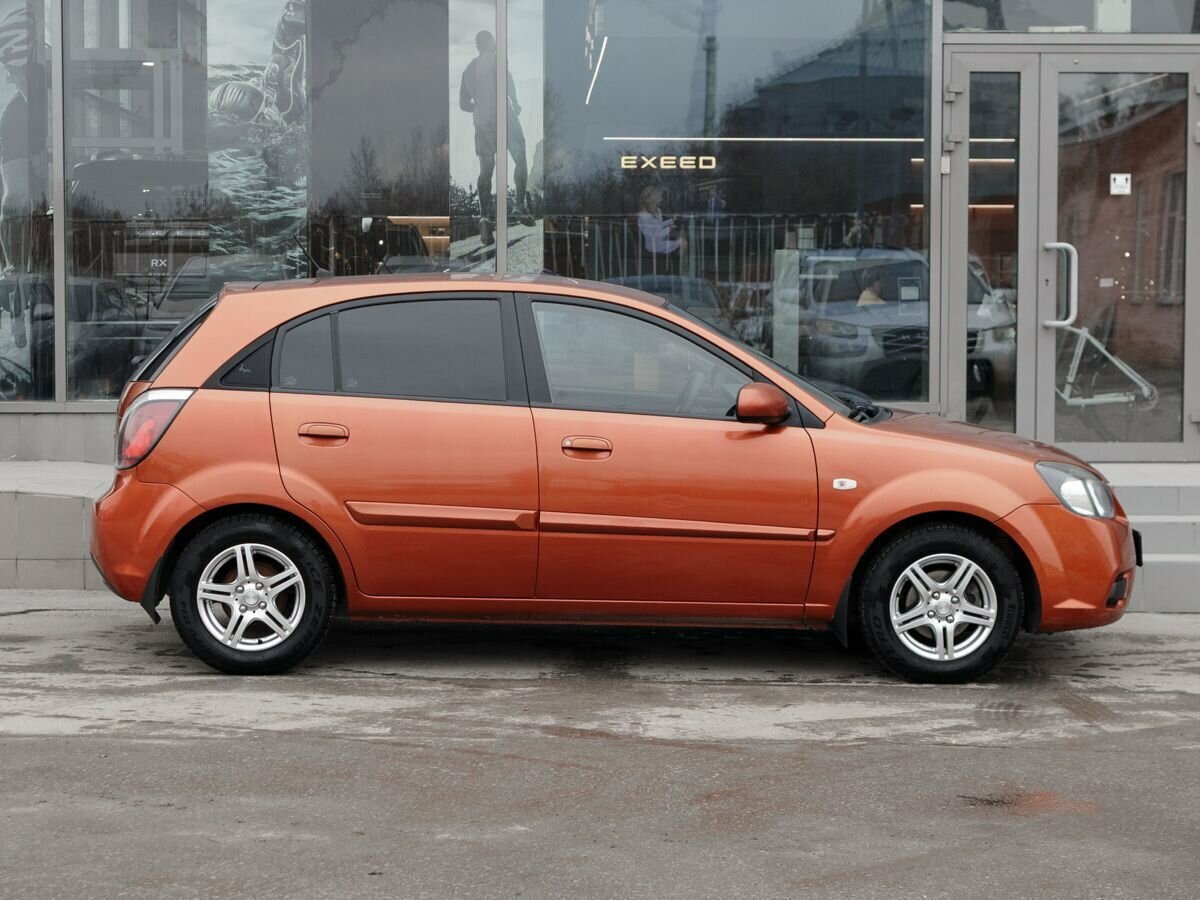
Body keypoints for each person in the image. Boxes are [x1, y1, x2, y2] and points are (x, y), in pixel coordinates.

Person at [459, 30, 532, 245]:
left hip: (482, 123)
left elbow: (463, 104)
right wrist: (515, 102)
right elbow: (507, 80)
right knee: (520, 158)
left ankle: (484, 218)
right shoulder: (497, 58)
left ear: (477, 46)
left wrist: (479, 108)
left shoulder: (468, 71)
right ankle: (519, 204)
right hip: (504, 117)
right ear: (490, 42)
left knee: (486, 169)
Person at [637, 185, 687, 268]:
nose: (661, 199)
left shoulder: (657, 211)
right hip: (653, 246)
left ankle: (673, 265)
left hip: (660, 242)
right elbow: (651, 236)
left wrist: (671, 220)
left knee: (681, 237)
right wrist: (668, 229)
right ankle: (677, 267)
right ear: (653, 198)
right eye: (659, 196)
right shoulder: (644, 216)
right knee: (683, 242)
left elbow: (658, 226)